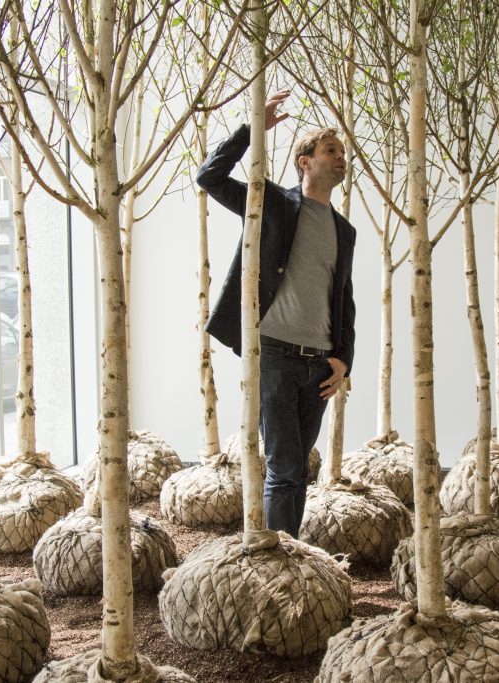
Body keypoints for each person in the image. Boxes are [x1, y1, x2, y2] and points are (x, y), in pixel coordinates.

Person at [196, 90, 356, 538]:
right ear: (305, 162)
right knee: (284, 467)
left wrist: (343, 359)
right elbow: (209, 177)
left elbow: (344, 298)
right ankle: (277, 558)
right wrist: (252, 130)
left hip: (320, 363)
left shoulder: (344, 230)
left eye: (342, 152)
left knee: (298, 468)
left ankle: (287, 549)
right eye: (331, 151)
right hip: (275, 356)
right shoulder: (272, 203)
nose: (341, 158)